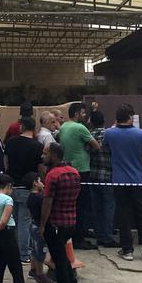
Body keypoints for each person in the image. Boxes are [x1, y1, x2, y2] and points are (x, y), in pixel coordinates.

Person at [103, 105, 142, 262]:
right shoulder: (141, 134)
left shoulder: (109, 134)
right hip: (137, 181)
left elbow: (105, 149)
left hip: (119, 181)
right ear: (130, 117)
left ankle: (127, 250)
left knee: (123, 216)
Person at [38, 143, 83, 283]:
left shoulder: (52, 175)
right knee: (63, 257)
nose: (43, 157)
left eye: (45, 154)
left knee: (60, 262)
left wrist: (42, 225)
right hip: (70, 221)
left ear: (54, 155)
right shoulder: (74, 172)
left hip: (55, 223)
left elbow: (48, 202)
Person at [57, 102, 100, 250]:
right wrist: (87, 148)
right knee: (82, 204)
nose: (84, 116)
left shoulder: (63, 127)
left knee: (71, 204)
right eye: (82, 113)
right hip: (81, 169)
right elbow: (96, 145)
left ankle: (75, 234)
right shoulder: (80, 128)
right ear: (76, 113)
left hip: (68, 168)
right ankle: (79, 237)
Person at [4, 116, 44, 263]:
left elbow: (6, 163)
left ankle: (11, 251)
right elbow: (41, 168)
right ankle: (23, 254)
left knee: (11, 220)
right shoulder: (37, 146)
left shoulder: (11, 142)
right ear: (34, 129)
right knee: (25, 222)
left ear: (21, 127)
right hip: (28, 188)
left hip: (10, 186)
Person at [88, 110, 116, 247]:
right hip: (108, 175)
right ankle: (108, 237)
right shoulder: (109, 134)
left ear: (91, 122)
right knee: (109, 207)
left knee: (97, 207)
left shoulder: (89, 135)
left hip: (92, 175)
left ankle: (99, 235)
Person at [22, 171, 53, 283]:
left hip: (33, 225)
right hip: (39, 227)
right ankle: (40, 274)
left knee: (35, 249)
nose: (42, 182)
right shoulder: (40, 199)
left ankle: (33, 269)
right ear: (35, 183)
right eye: (40, 181)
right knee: (41, 251)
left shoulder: (31, 197)